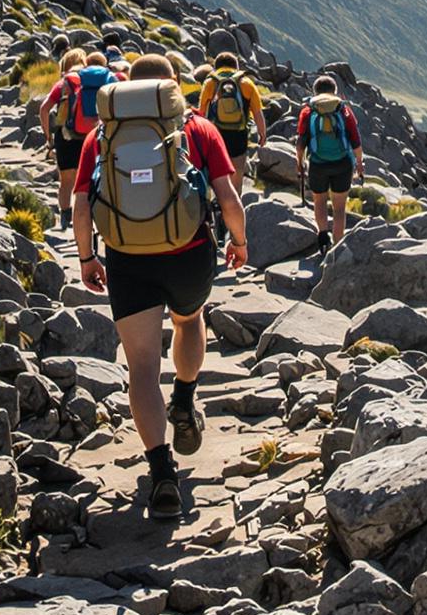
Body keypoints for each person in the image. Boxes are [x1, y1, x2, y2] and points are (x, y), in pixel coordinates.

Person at [72, 53, 248, 518]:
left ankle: (161, 472)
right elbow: (228, 198)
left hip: (128, 261)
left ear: (128, 87)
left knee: (142, 369)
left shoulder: (102, 134)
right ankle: (186, 400)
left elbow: (82, 208)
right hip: (188, 255)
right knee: (189, 323)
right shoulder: (197, 129)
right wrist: (240, 242)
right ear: (171, 87)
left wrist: (88, 257)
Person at [296, 74, 363, 249]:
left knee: (319, 201)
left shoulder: (308, 110)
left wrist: (300, 163)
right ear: (335, 92)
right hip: (342, 164)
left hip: (318, 164)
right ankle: (338, 245)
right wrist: (360, 164)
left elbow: (301, 141)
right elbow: (355, 139)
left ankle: (323, 237)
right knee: (339, 208)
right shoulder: (343, 109)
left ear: (314, 92)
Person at [197, 52, 268, 208]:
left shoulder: (210, 82)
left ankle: (217, 206)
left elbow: (201, 113)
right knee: (236, 175)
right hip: (239, 135)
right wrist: (262, 134)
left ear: (216, 67)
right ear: (236, 66)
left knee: (217, 173)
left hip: (216, 135)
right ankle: (234, 207)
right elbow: (257, 112)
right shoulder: (246, 83)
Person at [36, 47, 95, 228]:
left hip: (66, 137)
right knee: (88, 182)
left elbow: (44, 109)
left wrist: (49, 138)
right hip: (89, 138)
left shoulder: (64, 83)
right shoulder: (91, 82)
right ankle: (87, 221)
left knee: (67, 181)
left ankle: (65, 217)